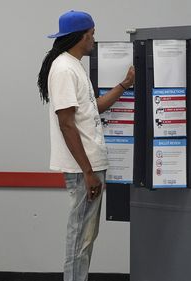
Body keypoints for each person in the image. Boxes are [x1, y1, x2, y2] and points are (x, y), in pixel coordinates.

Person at [37, 10, 135, 281]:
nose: (94, 39)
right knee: (80, 235)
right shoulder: (64, 69)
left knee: (86, 235)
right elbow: (66, 123)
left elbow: (91, 111)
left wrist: (123, 85)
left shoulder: (73, 66)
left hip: (88, 166)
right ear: (81, 36)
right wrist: (88, 171)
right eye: (92, 34)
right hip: (84, 169)